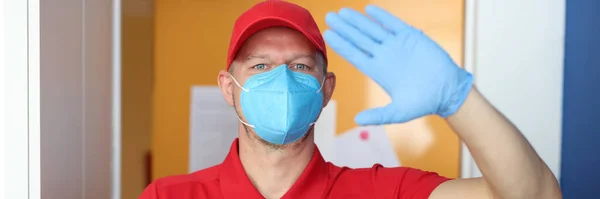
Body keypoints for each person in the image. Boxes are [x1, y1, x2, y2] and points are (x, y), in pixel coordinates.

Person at [140, 1, 562, 198]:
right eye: (261, 66)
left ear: (326, 91)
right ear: (228, 87)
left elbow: (535, 196)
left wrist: (458, 98)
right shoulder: (168, 196)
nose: (282, 80)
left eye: (301, 67)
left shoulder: (384, 191)